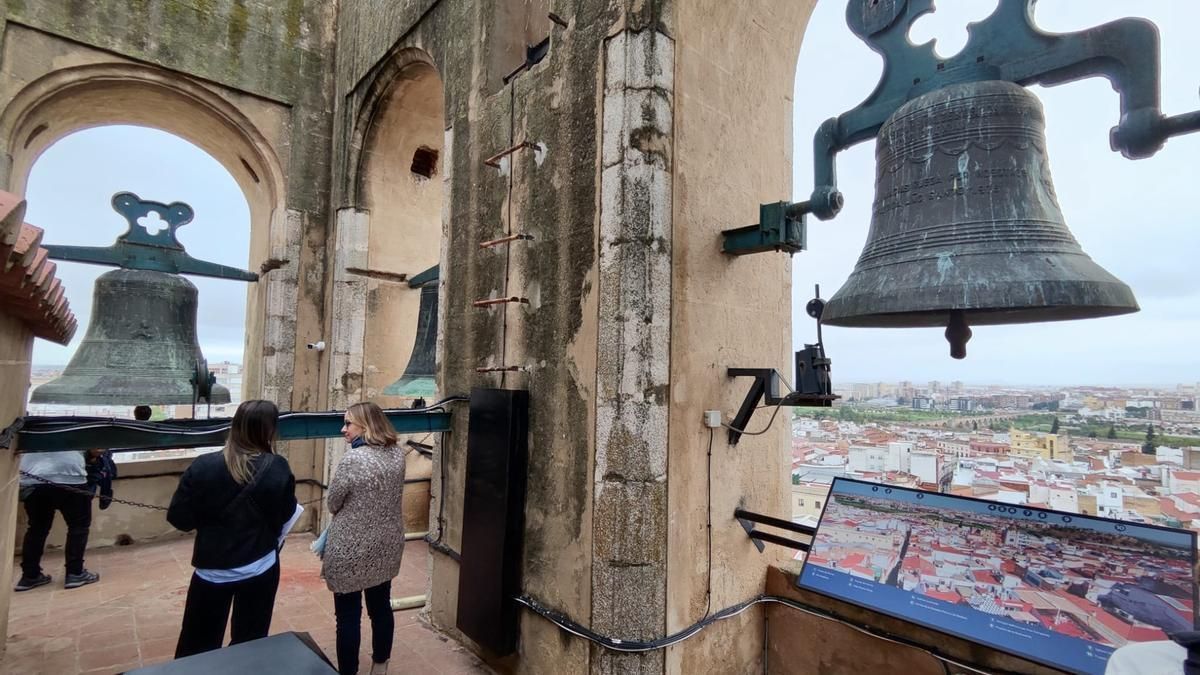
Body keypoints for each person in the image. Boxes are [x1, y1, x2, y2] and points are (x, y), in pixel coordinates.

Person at [167, 399, 299, 658]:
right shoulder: (278, 467)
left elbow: (180, 519)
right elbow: (283, 515)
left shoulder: (204, 466)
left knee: (198, 644)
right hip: (259, 566)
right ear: (269, 430)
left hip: (212, 571)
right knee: (251, 641)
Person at [323, 402, 407, 675]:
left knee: (347, 616)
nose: (343, 429)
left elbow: (333, 503)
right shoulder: (397, 454)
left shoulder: (354, 459)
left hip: (351, 550)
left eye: (348, 423)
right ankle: (380, 665)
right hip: (386, 545)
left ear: (366, 426)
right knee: (381, 607)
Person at [13, 449, 100, 591]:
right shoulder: (77, 425)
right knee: (78, 526)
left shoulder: (30, 425)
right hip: (70, 476)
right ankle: (75, 573)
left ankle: (30, 575)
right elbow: (97, 450)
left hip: (32, 478)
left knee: (37, 529)